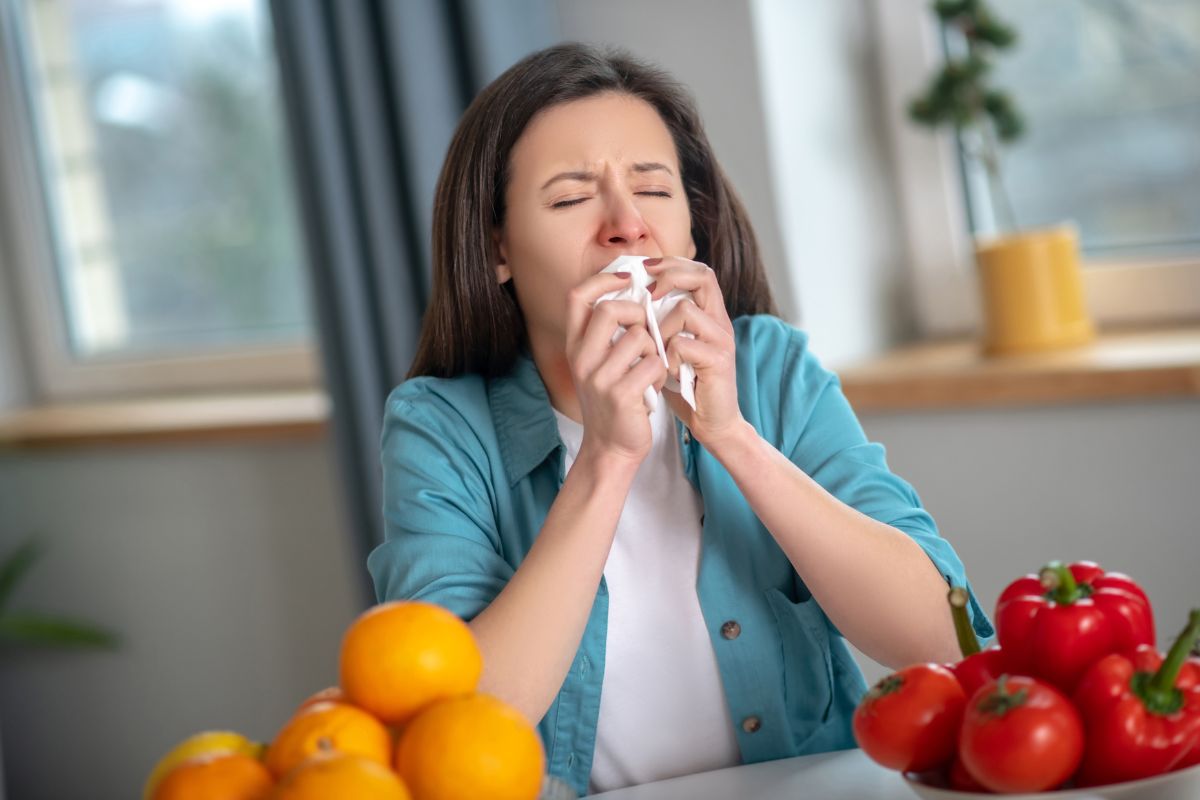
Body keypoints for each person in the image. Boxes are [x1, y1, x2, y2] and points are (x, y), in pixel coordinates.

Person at [368, 42, 992, 796]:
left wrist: (730, 435)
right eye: (570, 199)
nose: (626, 226)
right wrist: (606, 458)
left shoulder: (774, 368)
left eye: (654, 191)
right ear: (497, 247)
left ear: (692, 228)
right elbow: (451, 729)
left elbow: (946, 640)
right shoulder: (439, 425)